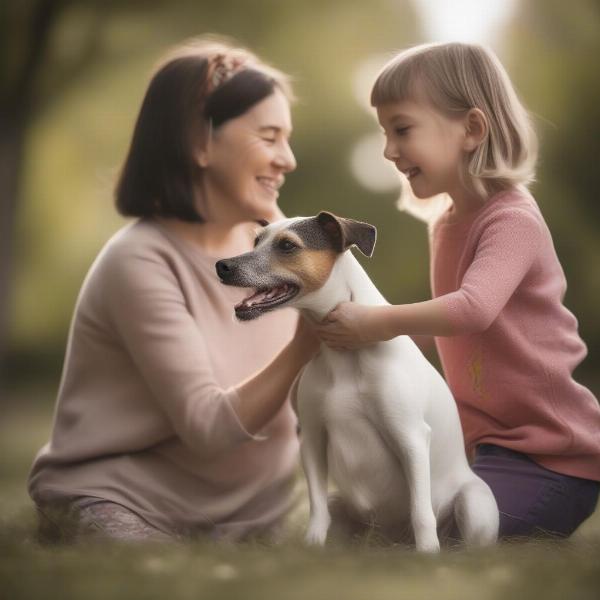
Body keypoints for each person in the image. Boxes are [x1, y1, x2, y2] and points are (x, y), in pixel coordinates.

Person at [28, 37, 319, 543]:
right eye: (269, 137)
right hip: (126, 503)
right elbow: (208, 429)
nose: (287, 159)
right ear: (199, 141)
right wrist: (309, 341)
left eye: (286, 138)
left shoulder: (278, 240)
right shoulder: (140, 261)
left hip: (252, 519)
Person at [317, 42, 600, 539]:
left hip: (549, 460)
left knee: (449, 537)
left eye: (402, 129)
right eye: (384, 133)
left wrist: (376, 322)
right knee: (395, 524)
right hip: (480, 450)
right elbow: (440, 333)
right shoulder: (445, 224)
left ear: (471, 129)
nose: (388, 150)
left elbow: (472, 310)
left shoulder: (511, 219)